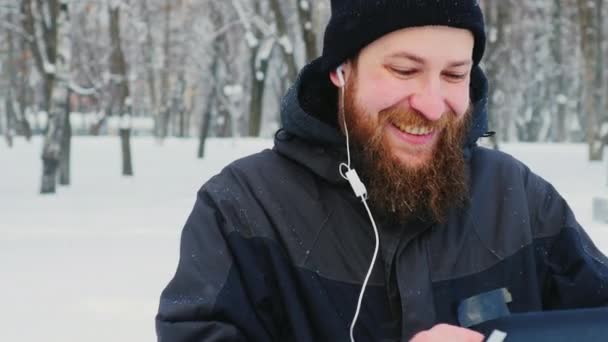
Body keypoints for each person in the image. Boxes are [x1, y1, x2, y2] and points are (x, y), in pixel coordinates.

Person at [156, 1, 608, 341]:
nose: (432, 105)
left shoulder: (520, 197)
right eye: (404, 70)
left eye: (454, 75)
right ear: (341, 70)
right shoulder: (245, 208)